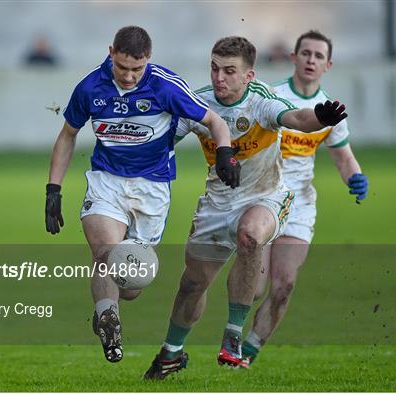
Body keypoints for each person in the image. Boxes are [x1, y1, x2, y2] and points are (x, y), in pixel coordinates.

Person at [143, 36, 348, 379]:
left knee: (250, 235)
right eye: (214, 68)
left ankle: (234, 334)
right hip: (216, 206)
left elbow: (296, 117)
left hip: (265, 197)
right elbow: (161, 140)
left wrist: (319, 118)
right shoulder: (200, 103)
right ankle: (171, 353)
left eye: (229, 71)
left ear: (249, 76)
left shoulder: (262, 101)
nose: (219, 78)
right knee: (193, 284)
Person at [44, 26, 240, 363]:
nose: (130, 76)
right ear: (111, 53)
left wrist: (225, 154)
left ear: (148, 59)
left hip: (152, 189)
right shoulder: (91, 87)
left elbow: (213, 120)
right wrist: (53, 189)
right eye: (122, 67)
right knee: (106, 253)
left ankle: (111, 304)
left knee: (132, 287)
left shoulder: (165, 85)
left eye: (137, 69)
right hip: (107, 182)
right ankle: (110, 322)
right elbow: (67, 136)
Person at [239, 30, 368, 368]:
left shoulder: (330, 110)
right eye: (306, 53)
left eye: (318, 56)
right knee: (254, 289)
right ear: (293, 57)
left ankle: (247, 352)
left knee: (285, 285)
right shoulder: (272, 97)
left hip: (300, 204)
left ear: (328, 64)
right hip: (265, 196)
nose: (311, 60)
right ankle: (231, 326)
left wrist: (355, 177)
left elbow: (343, 157)